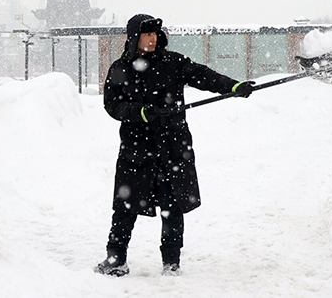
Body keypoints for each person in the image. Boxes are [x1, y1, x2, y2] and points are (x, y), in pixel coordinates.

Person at [94, 14, 255, 277]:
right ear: (135, 38)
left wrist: (232, 86)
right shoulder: (120, 69)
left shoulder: (173, 63)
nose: (153, 38)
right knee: (125, 208)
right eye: (147, 34)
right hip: (136, 150)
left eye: (156, 33)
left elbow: (204, 76)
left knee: (173, 208)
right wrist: (141, 112)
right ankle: (116, 259)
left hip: (172, 148)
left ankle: (171, 263)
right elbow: (112, 105)